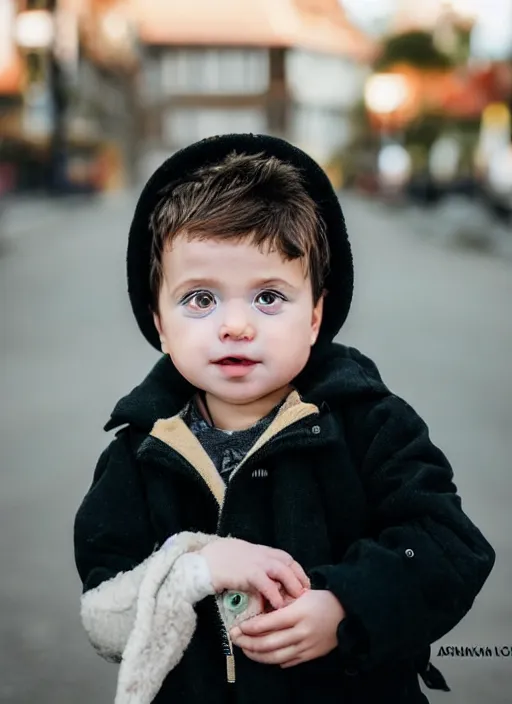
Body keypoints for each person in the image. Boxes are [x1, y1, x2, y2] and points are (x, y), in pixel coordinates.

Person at [74, 133, 495, 704]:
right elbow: (105, 618)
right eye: (201, 299)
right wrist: (196, 567)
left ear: (316, 316)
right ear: (160, 323)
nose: (237, 326)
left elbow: (448, 544)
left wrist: (348, 606)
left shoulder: (370, 424)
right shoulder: (138, 454)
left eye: (268, 297)